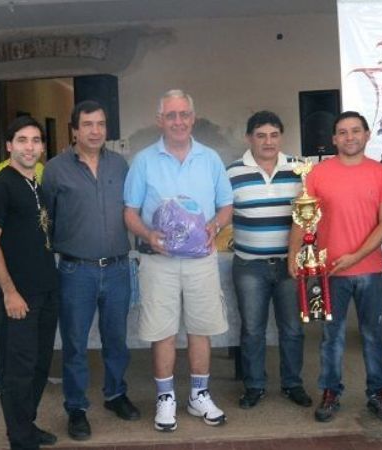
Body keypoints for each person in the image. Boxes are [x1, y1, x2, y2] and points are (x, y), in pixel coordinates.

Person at [123, 89, 233, 432]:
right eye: (171, 115)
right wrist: (148, 235)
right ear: (160, 120)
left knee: (201, 328)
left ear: (193, 118)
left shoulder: (210, 159)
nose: (178, 121)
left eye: (184, 114)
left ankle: (199, 395)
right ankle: (165, 398)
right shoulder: (143, 161)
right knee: (162, 331)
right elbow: (130, 213)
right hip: (159, 262)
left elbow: (226, 206)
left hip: (201, 260)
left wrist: (216, 225)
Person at [289, 111, 382, 423]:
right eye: (343, 132)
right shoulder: (317, 174)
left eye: (355, 131)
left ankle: (378, 393)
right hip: (329, 272)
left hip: (371, 271)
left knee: (373, 335)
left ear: (366, 135)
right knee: (331, 336)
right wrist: (293, 254)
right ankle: (330, 392)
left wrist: (356, 256)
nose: (350, 137)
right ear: (334, 139)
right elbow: (303, 218)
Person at [42, 100, 139, 441]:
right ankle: (76, 408)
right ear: (74, 130)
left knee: (117, 339)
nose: (95, 131)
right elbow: (47, 219)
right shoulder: (55, 169)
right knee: (74, 344)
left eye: (100, 124)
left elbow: (132, 209)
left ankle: (115, 394)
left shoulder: (120, 165)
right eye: (87, 124)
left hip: (117, 269)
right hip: (76, 271)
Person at [0, 116, 60, 449]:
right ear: (9, 146)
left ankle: (26, 426)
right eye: (22, 140)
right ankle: (20, 439)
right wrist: (9, 292)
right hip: (20, 296)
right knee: (18, 369)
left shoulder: (36, 185)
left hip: (46, 291)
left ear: (42, 147)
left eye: (36, 140)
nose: (30, 147)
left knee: (39, 365)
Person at [226, 111, 311, 410]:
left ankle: (292, 384)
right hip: (249, 265)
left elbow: (311, 214)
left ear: (281, 137)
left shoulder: (300, 169)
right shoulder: (232, 173)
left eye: (274, 135)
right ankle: (254, 386)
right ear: (248, 138)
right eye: (261, 135)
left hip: (290, 265)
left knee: (293, 329)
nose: (268, 142)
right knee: (252, 330)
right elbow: (222, 212)